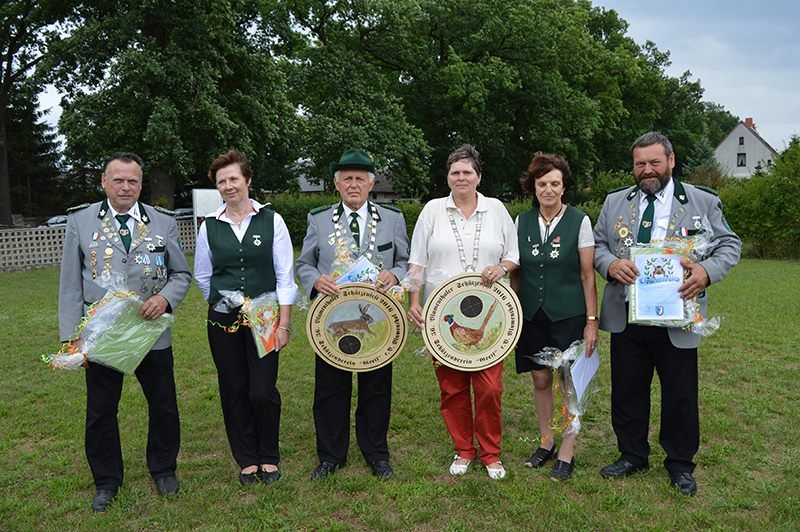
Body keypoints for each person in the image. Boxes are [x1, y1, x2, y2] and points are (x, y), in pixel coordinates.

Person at [594, 132, 741, 495]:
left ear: (671, 161)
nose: (647, 170)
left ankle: (679, 464)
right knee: (627, 390)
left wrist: (706, 271)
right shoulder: (614, 202)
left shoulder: (702, 201)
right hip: (627, 314)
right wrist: (610, 264)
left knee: (680, 394)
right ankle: (632, 455)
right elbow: (597, 245)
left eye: (654, 162)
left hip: (679, 315)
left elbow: (729, 243)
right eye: (640, 164)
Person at [58, 152, 191, 512]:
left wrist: (165, 299)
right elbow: (70, 283)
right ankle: (106, 480)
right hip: (101, 336)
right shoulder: (81, 220)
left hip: (150, 332)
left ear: (141, 184)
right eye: (118, 179)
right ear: (104, 182)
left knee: (163, 406)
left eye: (133, 180)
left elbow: (181, 274)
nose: (125, 187)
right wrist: (72, 336)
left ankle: (163, 469)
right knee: (101, 410)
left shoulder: (162, 221)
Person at [296, 148, 409, 480]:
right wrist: (315, 280)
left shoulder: (392, 219)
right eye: (347, 179)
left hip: (379, 319)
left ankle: (376, 453)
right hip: (332, 319)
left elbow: (405, 261)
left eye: (360, 178)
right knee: (330, 388)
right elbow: (304, 263)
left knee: (377, 387)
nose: (354, 184)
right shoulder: (318, 219)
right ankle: (331, 455)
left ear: (372, 183)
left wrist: (394, 275)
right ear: (337, 184)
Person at [407, 145, 519, 480]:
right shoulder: (432, 210)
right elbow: (417, 261)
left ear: (478, 177)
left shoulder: (496, 209)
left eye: (467, 172)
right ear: (448, 177)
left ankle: (491, 453)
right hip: (441, 317)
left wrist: (501, 268)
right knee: (452, 388)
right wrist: (414, 301)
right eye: (455, 172)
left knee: (490, 388)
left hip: (490, 314)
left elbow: (513, 255)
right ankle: (464, 449)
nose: (461, 178)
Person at [194, 149, 297, 486]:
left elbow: (284, 276)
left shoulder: (272, 221)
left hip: (266, 318)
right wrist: (225, 303)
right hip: (222, 321)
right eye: (221, 182)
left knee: (262, 390)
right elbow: (203, 276)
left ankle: (269, 454)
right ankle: (247, 459)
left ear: (248, 180)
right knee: (234, 388)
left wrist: (284, 324)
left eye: (233, 179)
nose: (228, 186)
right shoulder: (209, 226)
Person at [509, 153, 598, 481]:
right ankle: (546, 441)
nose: (548, 189)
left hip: (569, 314)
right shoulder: (521, 221)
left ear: (564, 187)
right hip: (532, 315)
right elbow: (516, 271)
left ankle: (567, 449)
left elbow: (587, 275)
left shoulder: (579, 221)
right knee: (540, 379)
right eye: (542, 183)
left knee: (569, 382)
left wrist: (591, 321)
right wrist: (513, 311)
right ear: (533, 187)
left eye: (555, 183)